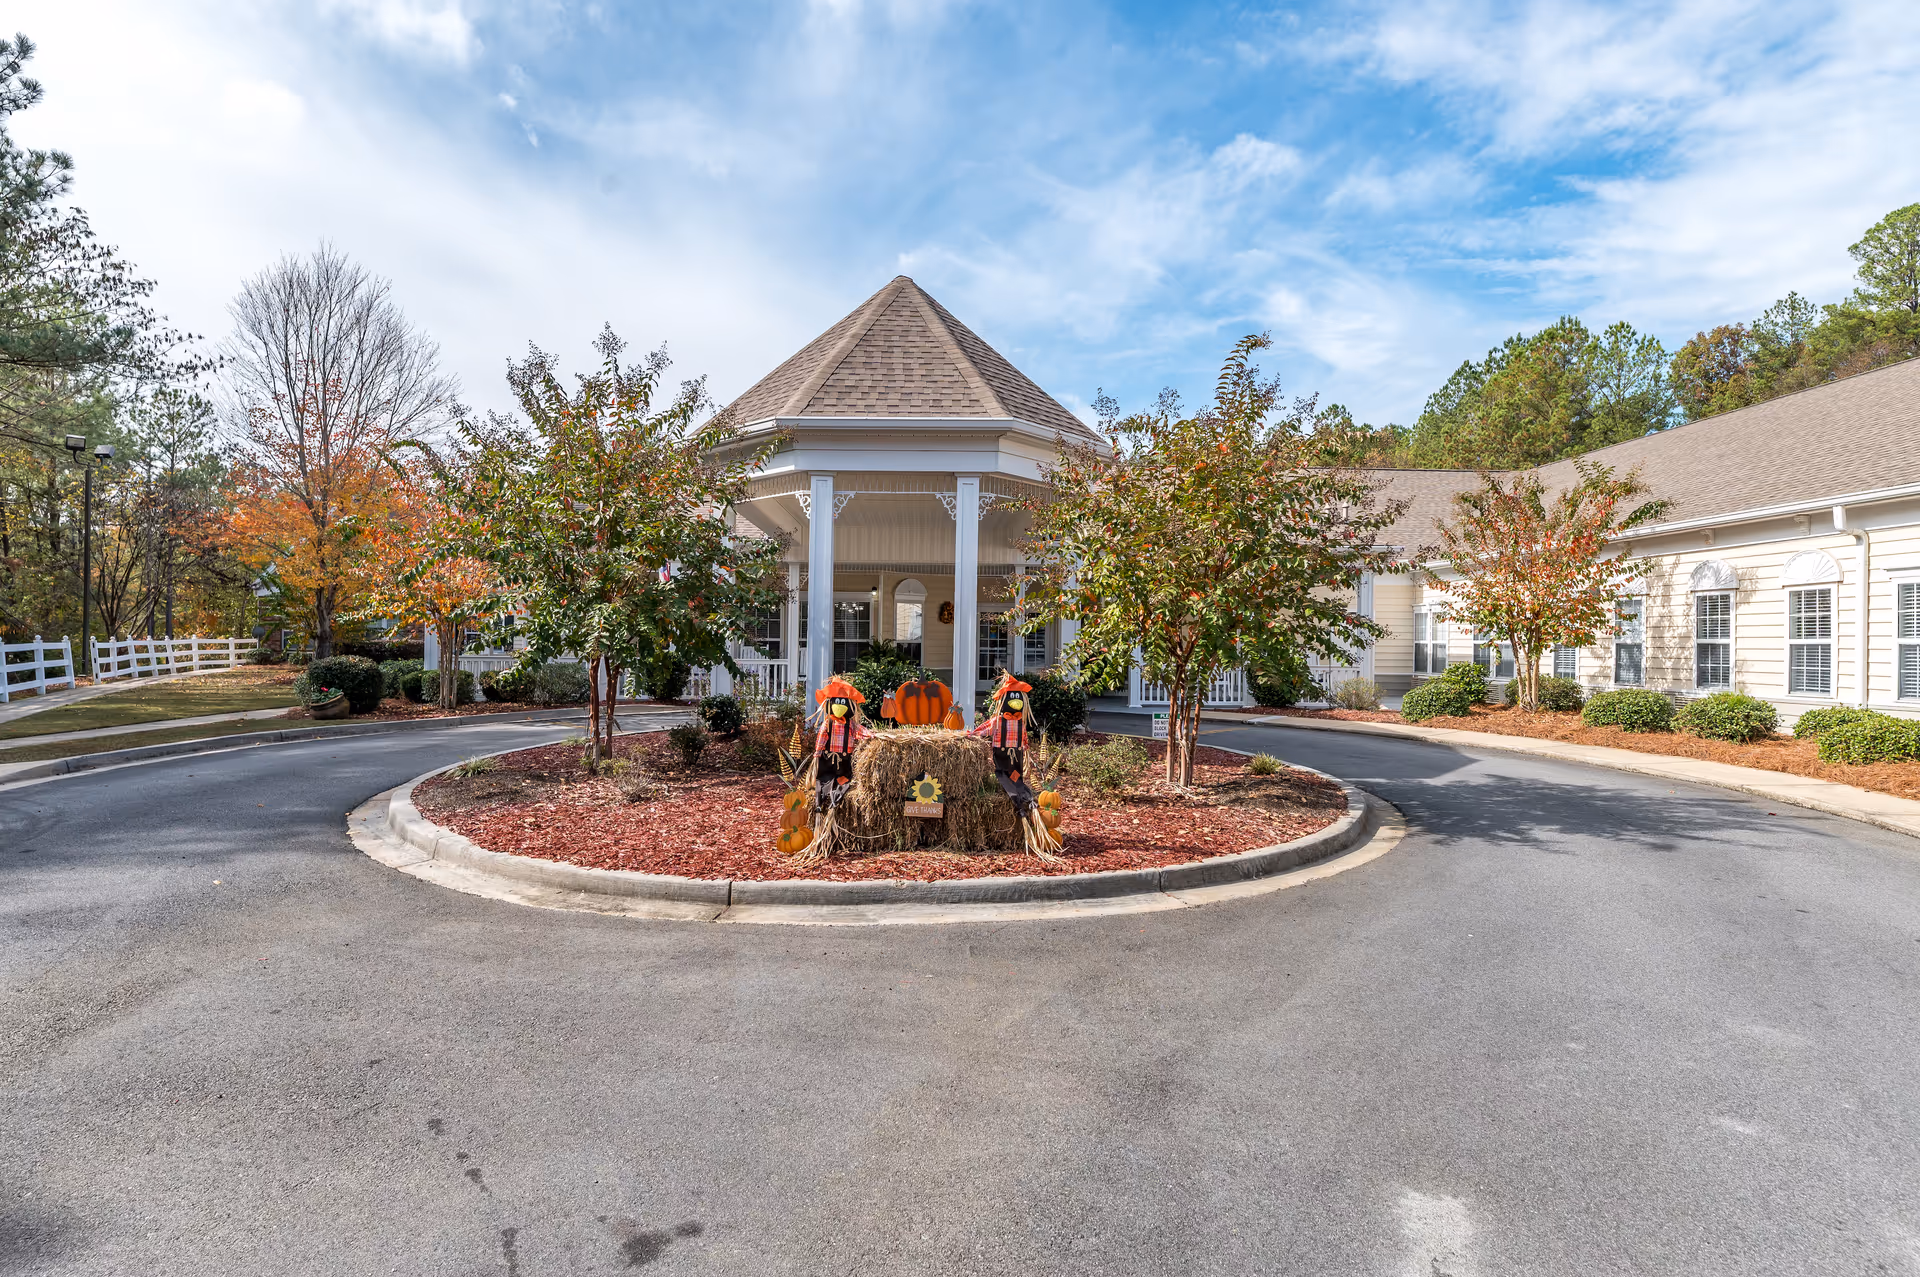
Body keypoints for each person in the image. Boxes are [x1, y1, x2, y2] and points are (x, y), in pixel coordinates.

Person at [812, 676, 870, 812]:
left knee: (843, 780)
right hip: (827, 760)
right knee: (824, 779)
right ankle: (819, 802)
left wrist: (874, 737)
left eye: (843, 702)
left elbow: (865, 734)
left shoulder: (851, 726)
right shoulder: (827, 723)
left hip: (844, 761)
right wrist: (817, 754)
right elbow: (821, 739)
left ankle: (835, 800)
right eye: (836, 702)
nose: (839, 706)